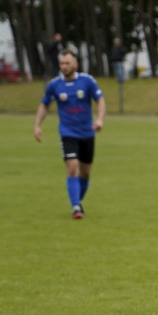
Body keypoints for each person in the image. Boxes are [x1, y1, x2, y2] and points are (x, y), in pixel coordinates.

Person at [33, 49, 105, 220]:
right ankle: (76, 207)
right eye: (62, 64)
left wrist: (100, 119)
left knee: (85, 172)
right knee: (72, 167)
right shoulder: (54, 85)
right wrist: (37, 125)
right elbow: (44, 105)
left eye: (67, 63)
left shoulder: (87, 81)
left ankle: (77, 200)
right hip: (67, 132)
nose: (64, 66)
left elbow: (100, 100)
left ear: (75, 64)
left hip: (87, 133)